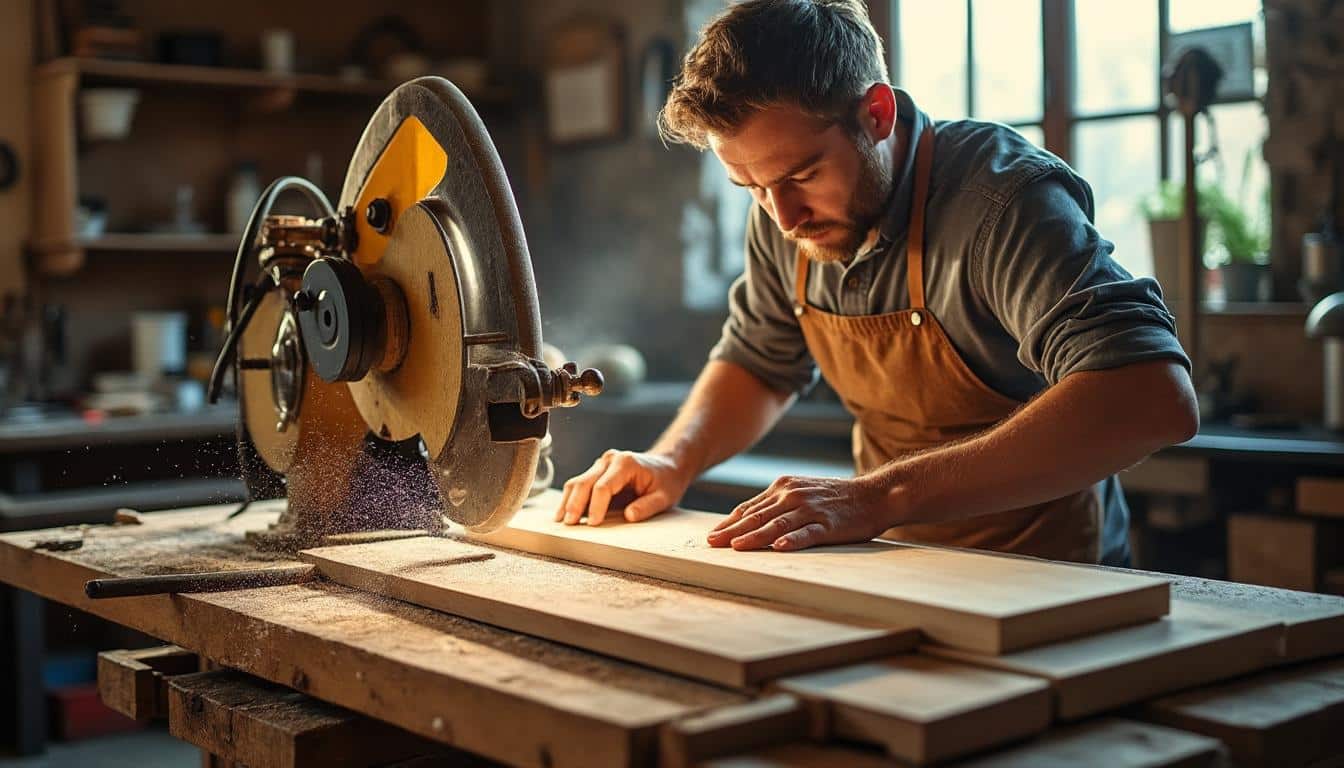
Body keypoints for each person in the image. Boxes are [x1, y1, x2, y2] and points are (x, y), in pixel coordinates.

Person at [556, 0, 1198, 565]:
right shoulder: (786, 216)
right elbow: (760, 362)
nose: (784, 217)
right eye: (751, 189)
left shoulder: (1001, 201)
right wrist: (673, 460)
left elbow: (1150, 394)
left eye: (802, 175)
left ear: (877, 113)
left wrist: (880, 495)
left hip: (1049, 578)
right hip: (895, 564)